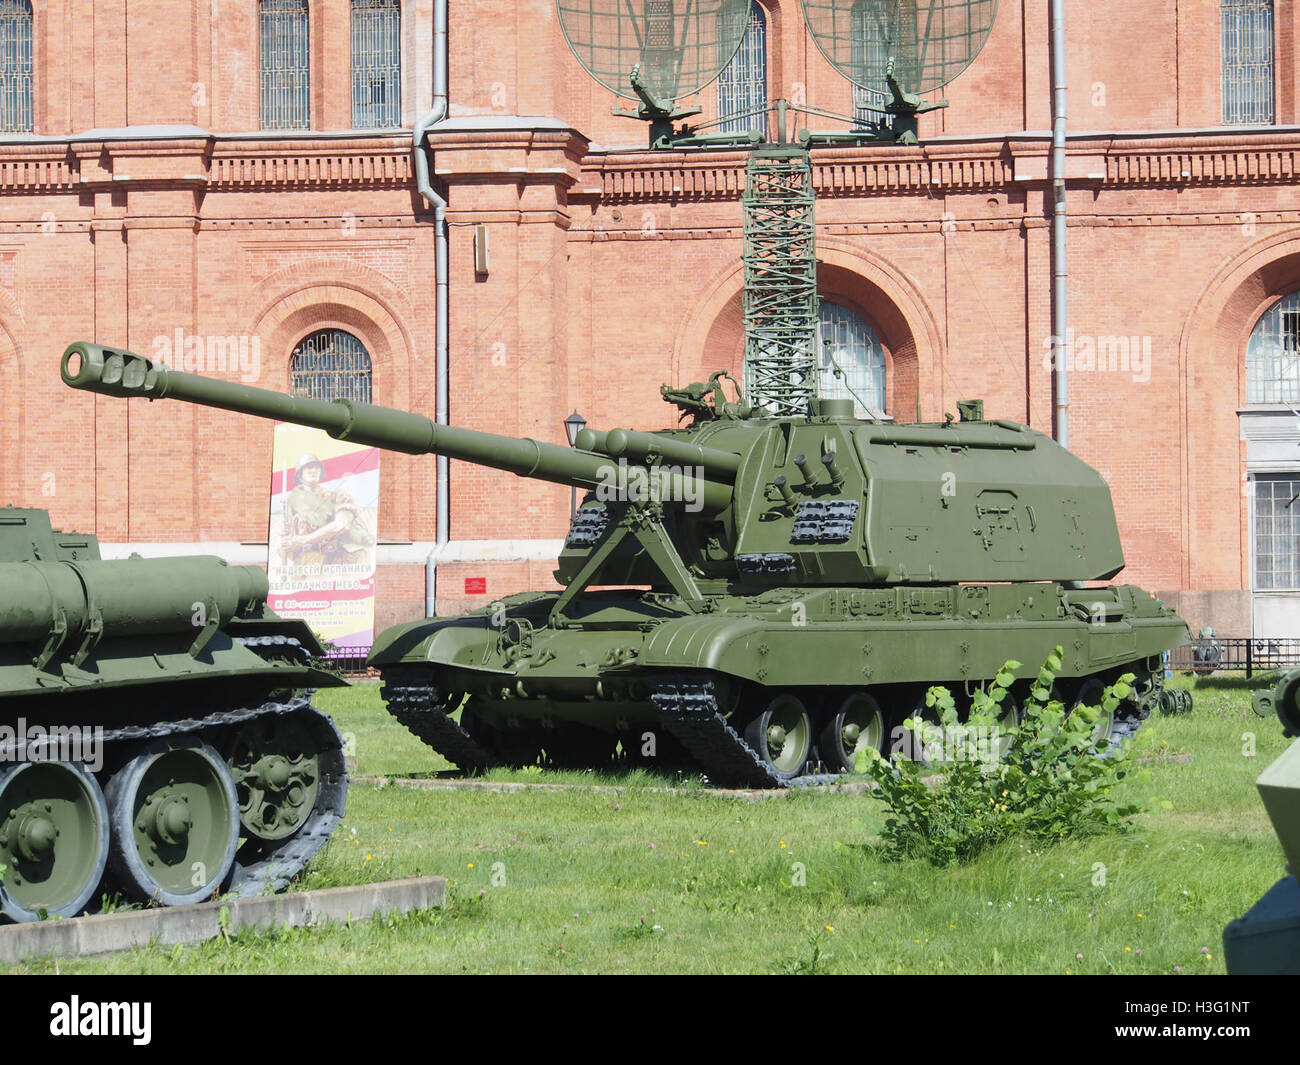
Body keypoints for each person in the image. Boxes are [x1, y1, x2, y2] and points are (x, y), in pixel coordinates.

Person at [279, 454, 375, 569]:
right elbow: (293, 535)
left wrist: (302, 540)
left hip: (335, 557)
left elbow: (341, 524)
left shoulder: (333, 496)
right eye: (309, 467)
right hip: (307, 561)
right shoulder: (295, 499)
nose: (313, 470)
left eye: (316, 467)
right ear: (300, 474)